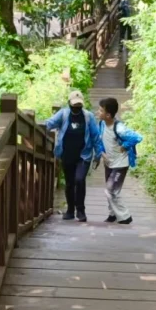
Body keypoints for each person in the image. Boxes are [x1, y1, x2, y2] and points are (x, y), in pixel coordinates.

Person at [44, 90, 104, 222]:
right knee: (70, 183)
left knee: (79, 180)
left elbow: (95, 136)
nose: (76, 108)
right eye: (74, 105)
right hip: (67, 154)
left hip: (84, 155)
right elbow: (50, 123)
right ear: (69, 104)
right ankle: (70, 210)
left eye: (79, 105)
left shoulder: (88, 117)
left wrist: (98, 154)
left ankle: (81, 210)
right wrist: (38, 127)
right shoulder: (64, 114)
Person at [97, 97, 143, 225]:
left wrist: (125, 145)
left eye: (100, 110)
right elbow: (100, 140)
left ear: (108, 115)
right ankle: (112, 214)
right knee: (111, 190)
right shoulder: (101, 124)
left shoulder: (119, 128)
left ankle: (125, 216)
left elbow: (137, 137)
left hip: (121, 163)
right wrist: (102, 152)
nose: (98, 112)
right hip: (109, 163)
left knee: (110, 190)